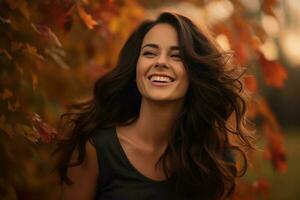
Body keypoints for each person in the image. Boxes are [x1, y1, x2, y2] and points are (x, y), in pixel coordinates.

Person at [56, 12, 255, 200]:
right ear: (136, 68)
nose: (160, 62)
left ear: (194, 73)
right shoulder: (95, 149)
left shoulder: (213, 157)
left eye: (176, 56)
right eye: (150, 53)